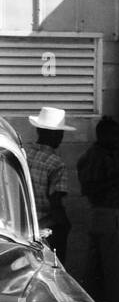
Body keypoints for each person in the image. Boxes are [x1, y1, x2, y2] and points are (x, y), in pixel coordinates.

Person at [76, 116, 119, 302]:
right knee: (115, 271)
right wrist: (118, 180)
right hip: (110, 214)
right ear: (105, 135)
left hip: (103, 215)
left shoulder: (105, 155)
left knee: (99, 270)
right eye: (115, 135)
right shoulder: (96, 156)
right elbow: (90, 188)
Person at [24, 107, 75, 264]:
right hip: (45, 226)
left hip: (22, 224)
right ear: (55, 134)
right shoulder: (56, 163)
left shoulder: (24, 153)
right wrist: (65, 224)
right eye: (60, 133)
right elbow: (56, 201)